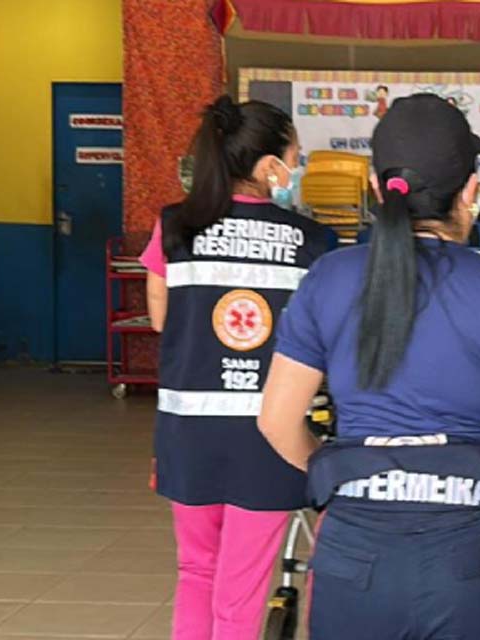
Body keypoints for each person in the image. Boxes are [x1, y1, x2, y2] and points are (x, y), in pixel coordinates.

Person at [258, 94, 480, 639]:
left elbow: (275, 422)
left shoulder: (328, 278)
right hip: (472, 560)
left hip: (354, 558)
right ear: (470, 192)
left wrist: (344, 476)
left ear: (372, 183)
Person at [140, 95, 336, 640]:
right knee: (243, 584)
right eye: (294, 156)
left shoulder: (174, 226)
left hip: (188, 428)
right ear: (269, 166)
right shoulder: (312, 243)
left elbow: (161, 319)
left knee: (196, 570)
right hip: (271, 434)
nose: (297, 168)